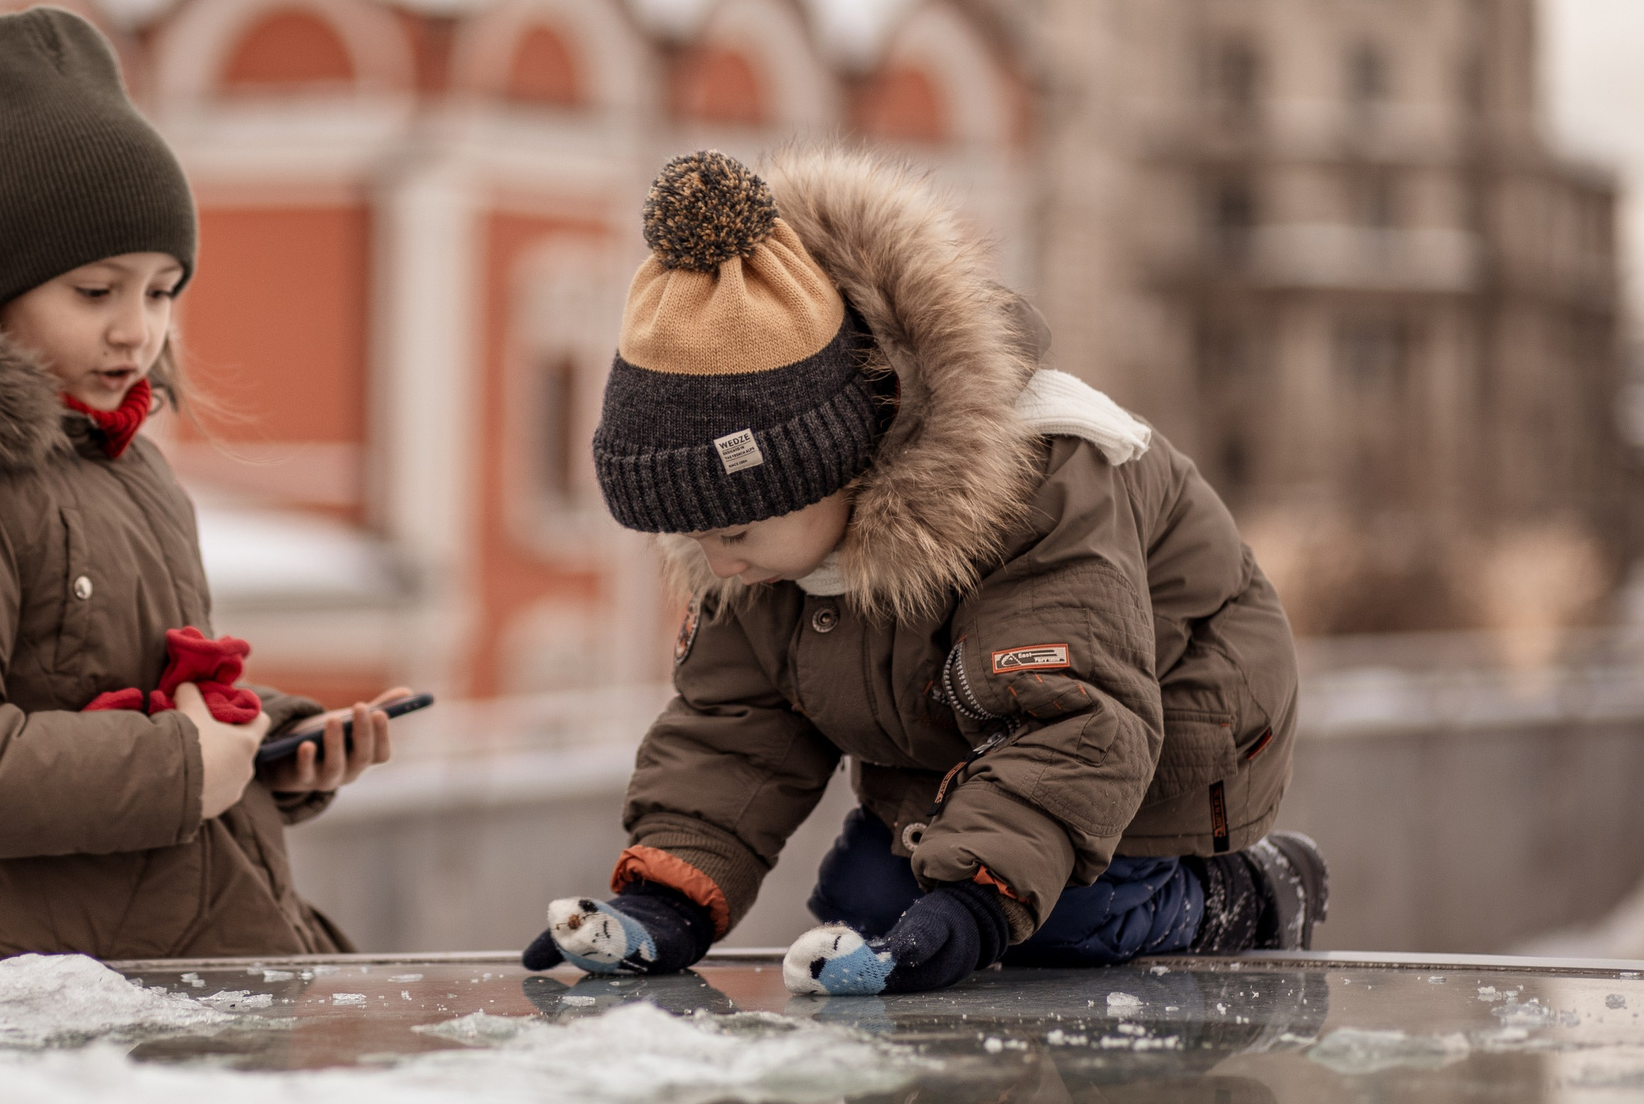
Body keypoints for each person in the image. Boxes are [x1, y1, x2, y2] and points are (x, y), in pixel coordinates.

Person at [522, 146, 1327, 996]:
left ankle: (1255, 890)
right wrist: (663, 904)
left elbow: (1076, 715)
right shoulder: (759, 553)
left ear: (832, 464)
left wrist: (977, 902)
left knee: (1060, 923)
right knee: (858, 907)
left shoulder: (1036, 486)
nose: (717, 559)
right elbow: (733, 728)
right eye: (692, 533)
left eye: (736, 529)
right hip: (966, 735)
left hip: (1168, 717)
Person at [0, 5, 400, 965]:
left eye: (162, 290)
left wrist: (266, 744)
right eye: (96, 292)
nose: (136, 331)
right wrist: (184, 764)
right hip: (12, 1008)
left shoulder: (128, 464)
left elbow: (123, 687)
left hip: (154, 972)